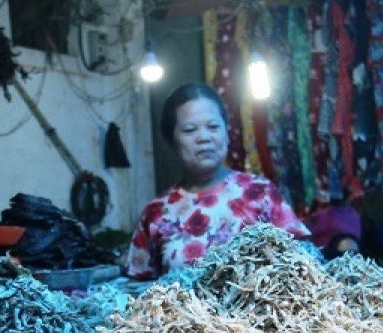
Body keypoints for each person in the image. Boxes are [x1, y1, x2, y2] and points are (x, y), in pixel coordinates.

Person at [124, 83, 309, 279]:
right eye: (189, 130)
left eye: (213, 127)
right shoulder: (156, 213)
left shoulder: (260, 193)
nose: (204, 137)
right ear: (172, 141)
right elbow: (138, 287)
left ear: (227, 133)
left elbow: (303, 262)